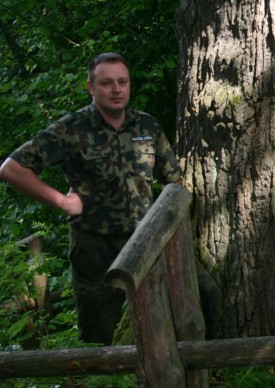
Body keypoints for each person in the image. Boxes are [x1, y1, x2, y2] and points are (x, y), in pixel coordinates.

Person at [0, 52, 221, 345]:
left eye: (122, 82)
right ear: (91, 87)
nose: (116, 89)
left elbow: (174, 182)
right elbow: (12, 169)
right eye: (106, 83)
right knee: (98, 335)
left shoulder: (146, 126)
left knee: (207, 293)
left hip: (146, 240)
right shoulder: (71, 129)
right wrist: (62, 202)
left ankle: (208, 371)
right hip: (94, 246)